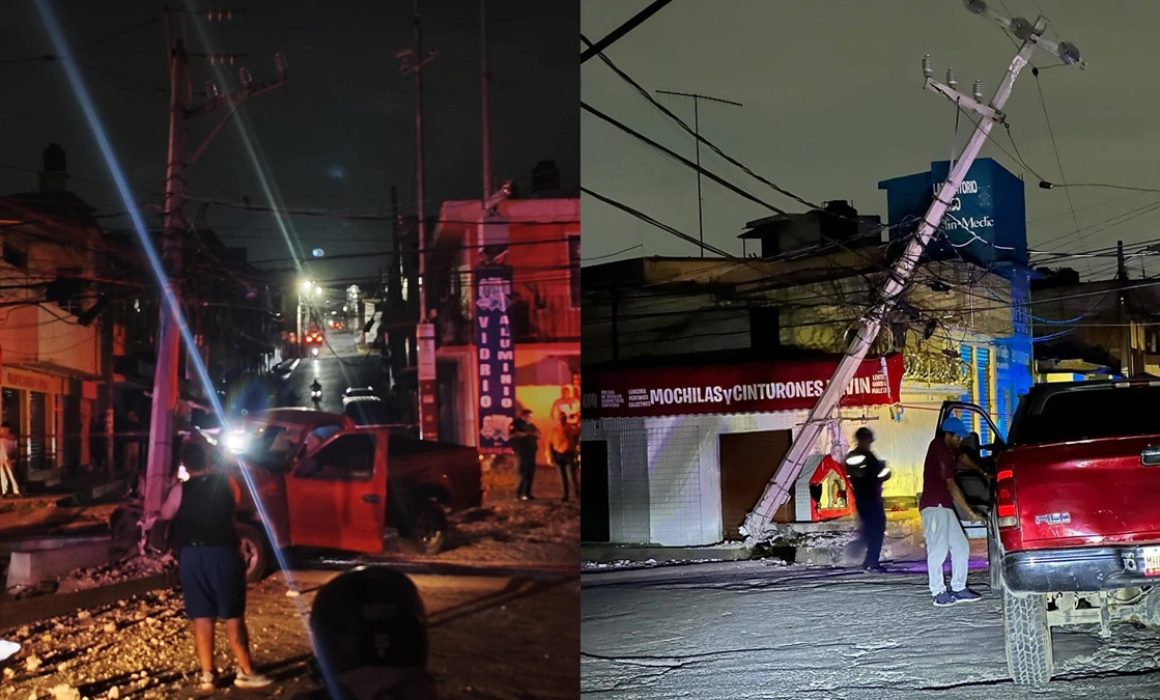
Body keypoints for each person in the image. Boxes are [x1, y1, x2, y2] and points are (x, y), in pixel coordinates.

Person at [160, 440, 272, 694]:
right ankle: (246, 671)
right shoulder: (225, 484)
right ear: (208, 460)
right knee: (232, 616)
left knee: (202, 616)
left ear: (184, 464)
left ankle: (208, 674)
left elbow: (166, 514)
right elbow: (233, 513)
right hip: (222, 553)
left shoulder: (179, 490)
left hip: (192, 557)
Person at [921, 416, 986, 607]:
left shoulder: (949, 450)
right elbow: (950, 484)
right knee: (938, 550)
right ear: (948, 434)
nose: (961, 440)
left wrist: (983, 472)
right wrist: (970, 511)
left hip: (945, 507)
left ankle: (958, 588)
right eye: (958, 437)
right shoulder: (939, 447)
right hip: (934, 507)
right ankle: (938, 592)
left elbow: (963, 458)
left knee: (961, 546)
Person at [844, 427, 890, 573]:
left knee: (874, 528)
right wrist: (879, 473)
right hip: (867, 497)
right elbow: (863, 475)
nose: (870, 442)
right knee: (875, 528)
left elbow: (874, 473)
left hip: (870, 496)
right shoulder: (857, 456)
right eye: (868, 439)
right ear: (863, 439)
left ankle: (869, 559)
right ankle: (870, 561)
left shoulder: (866, 455)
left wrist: (882, 472)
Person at [546, 413, 580, 502]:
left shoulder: (571, 429)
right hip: (558, 455)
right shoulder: (553, 430)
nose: (561, 420)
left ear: (565, 419)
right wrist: (550, 456)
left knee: (572, 476)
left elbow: (577, 440)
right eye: (560, 418)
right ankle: (565, 495)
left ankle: (577, 495)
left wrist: (577, 453)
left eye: (563, 418)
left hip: (569, 454)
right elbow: (549, 444)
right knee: (562, 476)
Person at [509, 409, 540, 501]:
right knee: (522, 473)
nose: (530, 418)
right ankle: (519, 494)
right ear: (523, 416)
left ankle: (527, 493)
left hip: (531, 451)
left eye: (531, 417)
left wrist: (533, 434)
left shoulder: (531, 425)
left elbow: (538, 433)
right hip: (522, 452)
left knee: (530, 473)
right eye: (529, 416)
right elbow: (513, 435)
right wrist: (526, 434)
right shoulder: (516, 424)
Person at [0, 423, 19, 498]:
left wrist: (14, 458)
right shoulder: (1, 438)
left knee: (12, 475)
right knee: (3, 476)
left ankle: (16, 491)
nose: (3, 431)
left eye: (5, 429)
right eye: (2, 429)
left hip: (9, 459)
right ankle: (5, 491)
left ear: (8, 429)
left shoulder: (12, 438)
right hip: (1, 459)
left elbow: (15, 449)